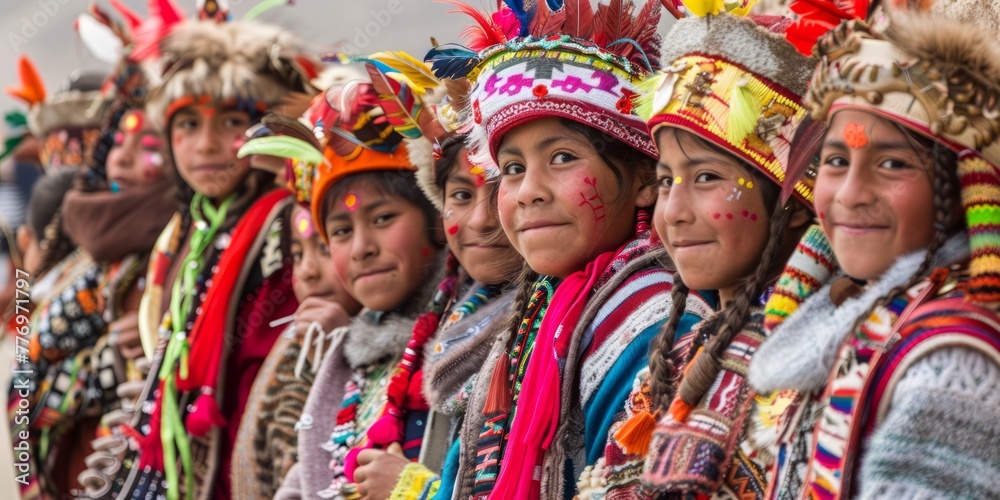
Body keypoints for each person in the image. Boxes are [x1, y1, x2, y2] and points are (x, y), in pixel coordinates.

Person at [423, 1, 707, 497]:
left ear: (644, 177)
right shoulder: (534, 319)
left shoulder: (656, 331)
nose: (529, 190)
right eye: (511, 169)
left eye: (562, 157)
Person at [748, 2, 1000, 498]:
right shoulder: (875, 312)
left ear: (959, 193)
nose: (850, 193)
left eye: (892, 164)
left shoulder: (951, 365)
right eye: (836, 160)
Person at [579, 4, 822, 497]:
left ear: (792, 203)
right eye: (667, 180)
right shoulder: (675, 363)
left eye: (707, 177)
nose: (674, 212)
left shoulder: (811, 366)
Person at [90, 2, 322, 497]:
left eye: (229, 122)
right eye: (187, 125)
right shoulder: (188, 228)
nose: (206, 145)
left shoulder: (286, 223)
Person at [273, 81, 446, 499]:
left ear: (437, 217)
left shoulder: (467, 342)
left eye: (383, 218)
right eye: (341, 231)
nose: (362, 249)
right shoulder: (346, 357)